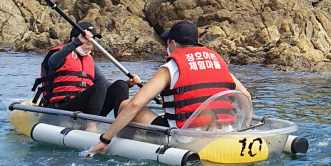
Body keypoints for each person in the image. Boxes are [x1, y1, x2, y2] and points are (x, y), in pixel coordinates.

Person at [86, 21, 250, 156]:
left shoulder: (172, 67)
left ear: (173, 43)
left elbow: (135, 105)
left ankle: (120, 147)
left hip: (185, 138)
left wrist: (105, 139)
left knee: (125, 105)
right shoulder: (217, 62)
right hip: (223, 131)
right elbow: (245, 96)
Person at [33, 21, 140, 117]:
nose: (90, 43)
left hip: (84, 107)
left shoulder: (89, 61)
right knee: (99, 86)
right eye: (86, 40)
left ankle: (121, 125)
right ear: (74, 40)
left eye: (92, 40)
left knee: (121, 85)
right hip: (61, 107)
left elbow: (107, 87)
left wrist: (128, 84)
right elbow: (52, 62)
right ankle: (91, 126)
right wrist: (76, 42)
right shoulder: (59, 55)